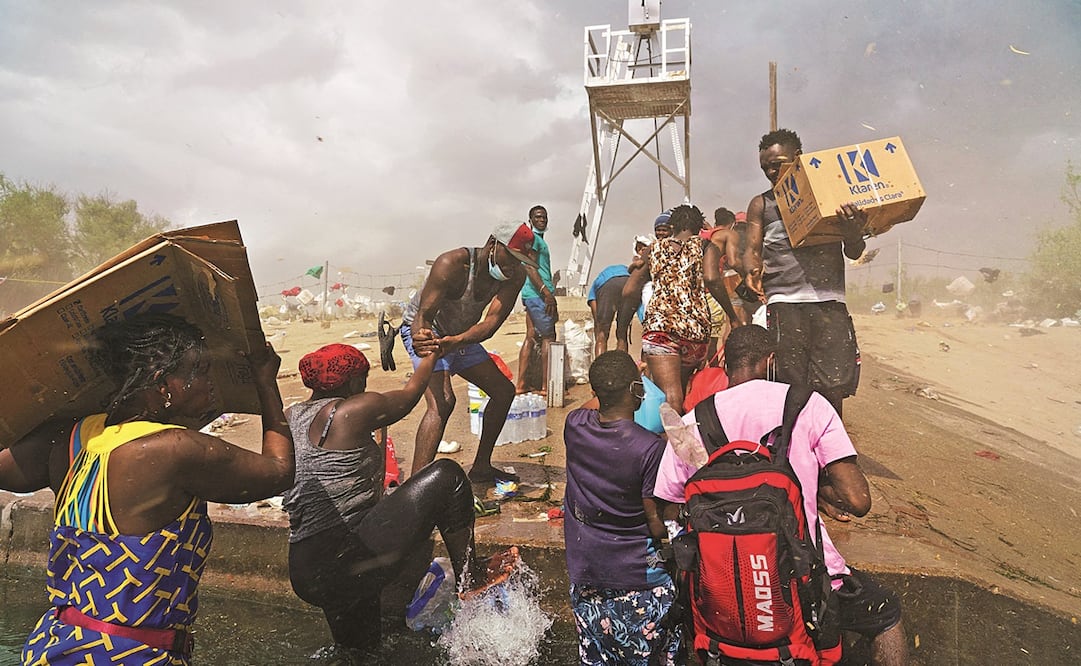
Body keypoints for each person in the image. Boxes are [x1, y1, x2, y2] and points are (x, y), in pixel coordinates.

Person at [0, 313, 294, 665]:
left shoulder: (70, 438)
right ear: (161, 383)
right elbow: (279, 472)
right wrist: (265, 382)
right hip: (133, 655)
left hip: (57, 645)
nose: (209, 381)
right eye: (198, 370)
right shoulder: (175, 450)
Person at [653, 325, 908, 666]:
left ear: (725, 363)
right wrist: (817, 489)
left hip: (719, 585)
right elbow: (859, 501)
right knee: (886, 614)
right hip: (806, 579)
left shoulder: (692, 421)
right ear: (770, 361)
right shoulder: (809, 405)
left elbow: (670, 507)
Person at [283, 343, 514, 655]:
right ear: (352, 382)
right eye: (362, 380)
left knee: (361, 654)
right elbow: (409, 397)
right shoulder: (348, 410)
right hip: (347, 559)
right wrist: (430, 357)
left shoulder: (290, 417)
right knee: (447, 475)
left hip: (308, 569)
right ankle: (470, 576)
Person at [563, 351, 682, 665]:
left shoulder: (574, 425)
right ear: (634, 390)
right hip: (638, 579)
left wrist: (607, 391)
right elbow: (655, 521)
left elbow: (592, 407)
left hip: (586, 571)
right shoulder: (649, 449)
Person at [743, 128, 868, 417]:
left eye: (778, 163)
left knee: (833, 386)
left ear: (799, 158)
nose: (772, 172)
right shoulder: (761, 204)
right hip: (785, 303)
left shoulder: (831, 197)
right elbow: (751, 247)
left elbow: (855, 251)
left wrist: (852, 230)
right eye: (766, 167)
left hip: (829, 301)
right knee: (790, 385)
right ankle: (792, 452)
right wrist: (751, 269)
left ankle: (829, 450)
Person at [401, 222, 537, 483]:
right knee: (442, 402)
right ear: (492, 244)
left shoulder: (515, 276)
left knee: (503, 391)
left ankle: (482, 467)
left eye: (519, 261)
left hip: (461, 336)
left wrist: (457, 341)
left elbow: (490, 324)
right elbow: (423, 316)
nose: (512, 267)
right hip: (428, 329)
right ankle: (414, 488)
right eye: (510, 257)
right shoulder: (452, 264)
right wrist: (423, 340)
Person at [622, 204, 744, 412]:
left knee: (670, 394)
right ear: (699, 227)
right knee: (683, 389)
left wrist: (620, 331)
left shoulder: (654, 249)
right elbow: (712, 278)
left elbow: (629, 291)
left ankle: (673, 443)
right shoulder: (706, 246)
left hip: (661, 329)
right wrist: (732, 316)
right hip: (695, 332)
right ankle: (687, 434)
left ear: (672, 226)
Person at [516, 205, 559, 394]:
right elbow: (529, 266)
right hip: (539, 295)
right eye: (538, 217)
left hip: (530, 294)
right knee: (549, 338)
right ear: (530, 219)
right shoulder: (533, 240)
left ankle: (522, 384)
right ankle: (545, 386)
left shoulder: (539, 240)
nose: (542, 220)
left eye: (544, 217)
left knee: (531, 335)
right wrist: (547, 293)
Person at [587, 263, 631, 356]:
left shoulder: (595, 286)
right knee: (622, 333)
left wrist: (599, 330)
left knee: (602, 333)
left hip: (609, 283)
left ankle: (600, 369)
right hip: (629, 281)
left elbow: (597, 319)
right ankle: (621, 368)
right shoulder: (621, 271)